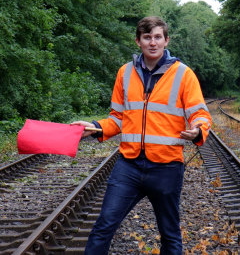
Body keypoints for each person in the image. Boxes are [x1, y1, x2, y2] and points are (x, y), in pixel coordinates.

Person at [72, 16, 212, 255]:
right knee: (104, 226)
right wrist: (95, 127)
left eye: (158, 37)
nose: (153, 42)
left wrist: (199, 129)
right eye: (147, 37)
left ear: (166, 40)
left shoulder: (183, 74)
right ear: (138, 41)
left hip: (167, 167)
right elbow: (118, 117)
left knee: (170, 233)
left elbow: (199, 112)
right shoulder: (125, 73)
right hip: (129, 166)